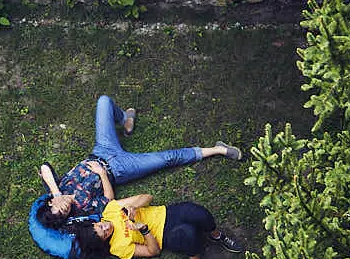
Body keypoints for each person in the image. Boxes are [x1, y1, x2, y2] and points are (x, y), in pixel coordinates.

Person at [37, 95, 242, 228]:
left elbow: (45, 167)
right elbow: (108, 200)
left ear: (51, 201)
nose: (65, 208)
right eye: (64, 213)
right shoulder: (82, 208)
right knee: (168, 159)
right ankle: (217, 149)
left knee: (104, 102)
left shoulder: (58, 188)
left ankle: (125, 119)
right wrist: (101, 174)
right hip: (119, 169)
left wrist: (57, 193)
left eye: (59, 207)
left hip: (101, 148)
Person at [66, 193, 245, 259]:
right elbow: (154, 251)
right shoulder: (118, 247)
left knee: (199, 214)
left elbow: (148, 197)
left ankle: (216, 235)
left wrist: (134, 207)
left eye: (99, 226)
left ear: (96, 222)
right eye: (103, 233)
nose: (105, 227)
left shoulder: (111, 211)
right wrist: (143, 230)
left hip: (167, 213)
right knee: (188, 234)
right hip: (164, 235)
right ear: (104, 242)